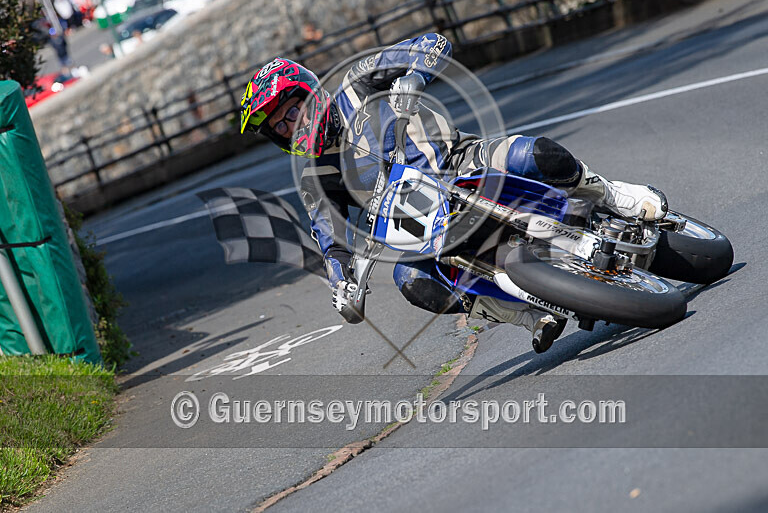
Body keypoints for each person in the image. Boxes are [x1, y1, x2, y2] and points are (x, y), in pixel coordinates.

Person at [239, 33, 668, 351]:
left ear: (309, 91)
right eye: (279, 125)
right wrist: (343, 286)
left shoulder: (358, 84)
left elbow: (431, 43)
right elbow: (330, 240)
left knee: (535, 153)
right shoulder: (315, 178)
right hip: (421, 223)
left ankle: (611, 195)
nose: (290, 125)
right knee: (411, 280)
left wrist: (413, 76)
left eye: (290, 110)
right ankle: (530, 315)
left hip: (463, 160)